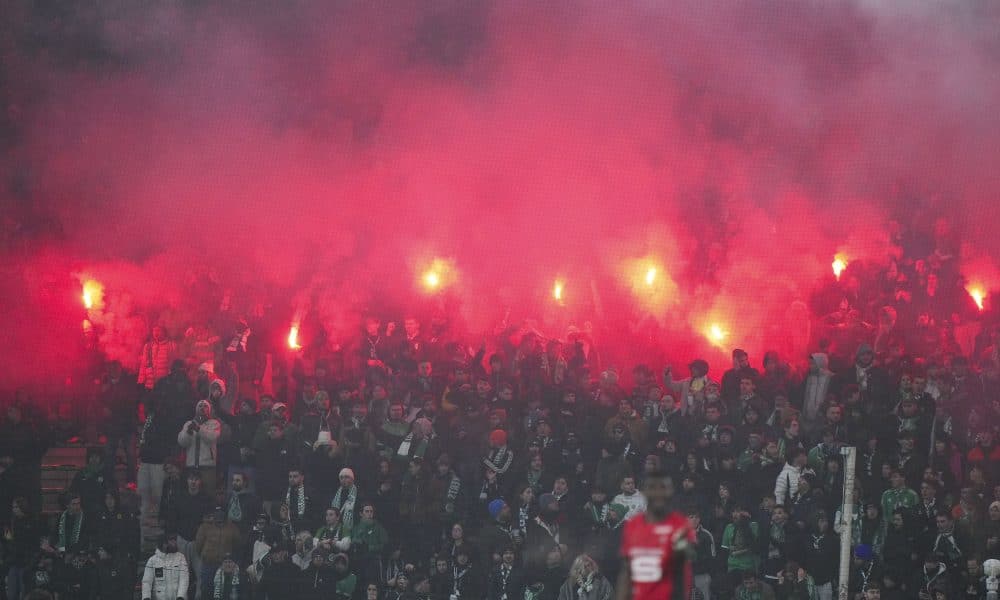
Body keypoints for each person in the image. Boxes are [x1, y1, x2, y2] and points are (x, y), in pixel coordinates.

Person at [616, 470, 695, 600]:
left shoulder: (680, 526)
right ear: (644, 492)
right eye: (653, 487)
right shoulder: (632, 526)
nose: (658, 493)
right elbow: (626, 571)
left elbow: (682, 572)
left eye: (663, 487)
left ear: (671, 491)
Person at [177, 400, 222, 495]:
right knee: (191, 493)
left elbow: (211, 437)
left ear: (209, 410)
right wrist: (188, 433)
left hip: (207, 466)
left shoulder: (214, 423)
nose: (202, 407)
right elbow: (182, 442)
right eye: (200, 406)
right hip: (191, 465)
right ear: (196, 409)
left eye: (205, 406)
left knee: (208, 493)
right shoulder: (188, 423)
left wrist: (198, 428)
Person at [142, 533, 190, 600]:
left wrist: (181, 596)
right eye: (171, 540)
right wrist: (146, 597)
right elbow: (147, 582)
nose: (174, 542)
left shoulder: (180, 558)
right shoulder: (152, 561)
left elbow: (184, 579)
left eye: (174, 540)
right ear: (164, 544)